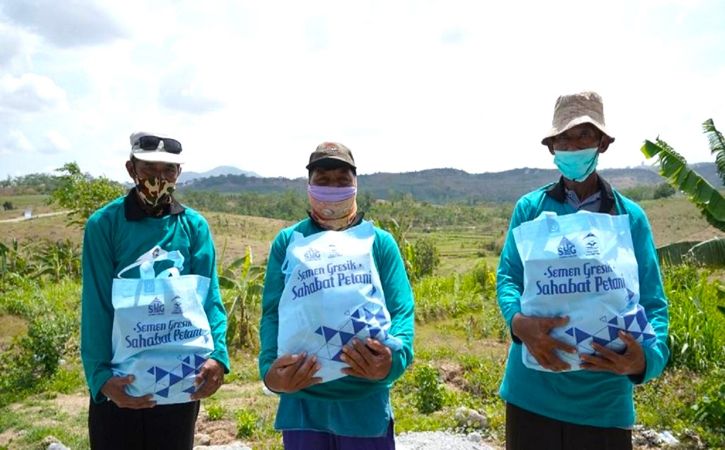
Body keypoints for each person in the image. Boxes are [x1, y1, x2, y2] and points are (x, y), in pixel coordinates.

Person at [496, 91, 670, 450]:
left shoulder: (629, 218)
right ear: (551, 147)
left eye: (584, 135)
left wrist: (646, 361)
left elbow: (653, 303)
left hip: (603, 404)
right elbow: (509, 277)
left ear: (602, 144)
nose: (573, 145)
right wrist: (518, 322)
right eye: (564, 137)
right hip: (533, 396)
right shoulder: (529, 209)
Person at [258, 142, 415, 450]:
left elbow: (402, 311)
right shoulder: (289, 242)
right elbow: (273, 313)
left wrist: (393, 361)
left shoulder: (379, 243)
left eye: (342, 180)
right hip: (302, 403)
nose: (333, 187)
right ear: (309, 185)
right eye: (323, 180)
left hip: (364, 402)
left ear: (356, 184)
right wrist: (269, 373)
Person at [81, 132, 229, 450]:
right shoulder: (104, 225)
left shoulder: (194, 227)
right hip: (121, 383)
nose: (158, 179)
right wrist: (101, 378)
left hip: (179, 384)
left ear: (179, 173)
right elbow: (96, 305)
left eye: (168, 170)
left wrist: (218, 357)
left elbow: (210, 299)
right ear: (131, 169)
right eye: (149, 169)